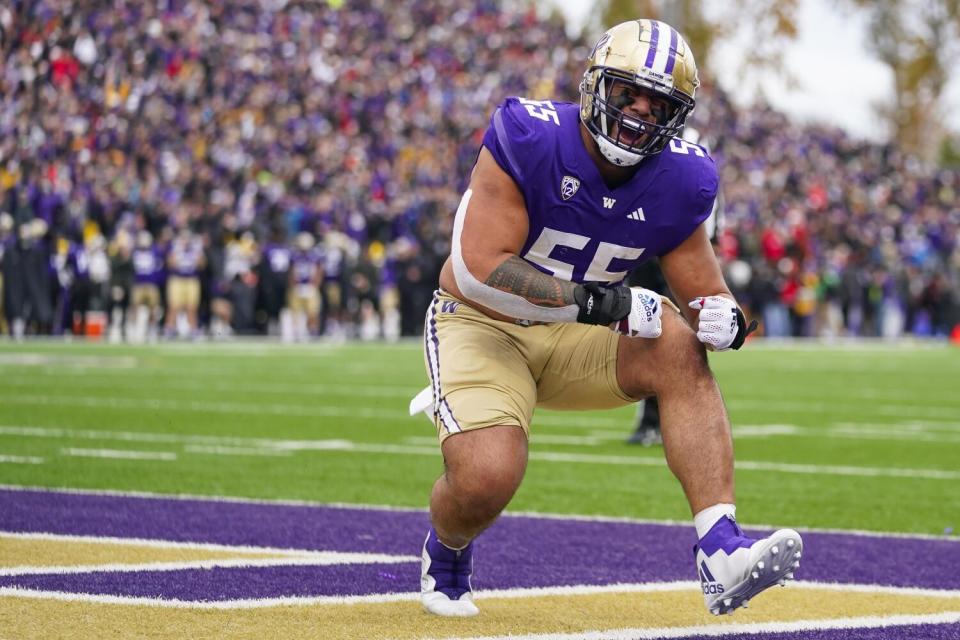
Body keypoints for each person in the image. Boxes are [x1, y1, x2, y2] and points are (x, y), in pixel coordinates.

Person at [415, 19, 803, 618]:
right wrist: (606, 303)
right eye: (628, 94)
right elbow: (476, 270)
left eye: (659, 105)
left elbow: (706, 293)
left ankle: (721, 549)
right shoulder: (531, 135)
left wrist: (727, 320)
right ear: (596, 85)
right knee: (488, 477)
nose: (639, 114)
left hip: (575, 336)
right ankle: (447, 552)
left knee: (675, 340)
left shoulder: (683, 177)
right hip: (482, 323)